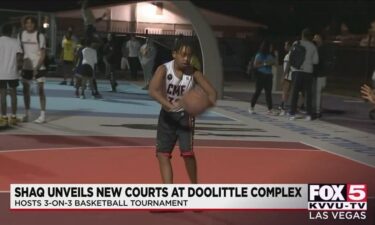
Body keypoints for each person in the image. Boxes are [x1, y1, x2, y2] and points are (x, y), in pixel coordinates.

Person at [148, 38, 217, 184]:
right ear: (174, 54)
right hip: (167, 116)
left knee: (187, 154)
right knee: (162, 154)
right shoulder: (164, 69)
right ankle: (168, 192)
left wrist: (201, 106)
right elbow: (153, 90)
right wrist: (167, 104)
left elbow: (212, 94)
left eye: (189, 55)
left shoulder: (194, 73)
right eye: (183, 54)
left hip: (185, 117)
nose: (186, 58)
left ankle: (194, 187)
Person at [19, 16, 47, 123]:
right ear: (24, 24)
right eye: (27, 23)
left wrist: (37, 67)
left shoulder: (40, 36)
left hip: (39, 67)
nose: (29, 25)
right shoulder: (21, 35)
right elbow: (20, 52)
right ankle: (27, 114)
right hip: (26, 67)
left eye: (31, 23)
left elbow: (43, 54)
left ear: (35, 24)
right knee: (26, 91)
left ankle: (42, 115)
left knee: (41, 91)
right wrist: (20, 65)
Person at [288, 28, 319, 121]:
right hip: (308, 72)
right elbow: (316, 61)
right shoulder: (313, 46)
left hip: (297, 71)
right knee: (308, 94)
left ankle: (292, 113)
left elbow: (291, 56)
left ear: (302, 35)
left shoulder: (296, 43)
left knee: (295, 93)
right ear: (310, 36)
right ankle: (309, 114)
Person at [0, 24, 23, 127]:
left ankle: (4, 117)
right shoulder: (15, 42)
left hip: (1, 73)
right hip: (12, 72)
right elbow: (19, 58)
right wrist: (18, 69)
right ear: (11, 32)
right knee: (13, 94)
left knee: (3, 94)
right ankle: (13, 117)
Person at [248, 40, 275, 115]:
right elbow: (255, 65)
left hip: (269, 75)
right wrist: (265, 63)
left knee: (268, 93)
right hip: (261, 75)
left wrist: (272, 62)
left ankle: (270, 109)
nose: (271, 48)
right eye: (270, 47)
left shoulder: (270, 55)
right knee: (258, 91)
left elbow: (274, 63)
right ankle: (251, 107)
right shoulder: (259, 55)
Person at [279, 40, 293, 115]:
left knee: (285, 91)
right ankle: (282, 105)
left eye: (286, 45)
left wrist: (283, 75)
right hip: (290, 75)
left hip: (288, 76)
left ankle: (283, 107)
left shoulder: (289, 55)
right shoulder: (291, 54)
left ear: (289, 46)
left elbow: (287, 66)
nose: (285, 47)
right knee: (287, 92)